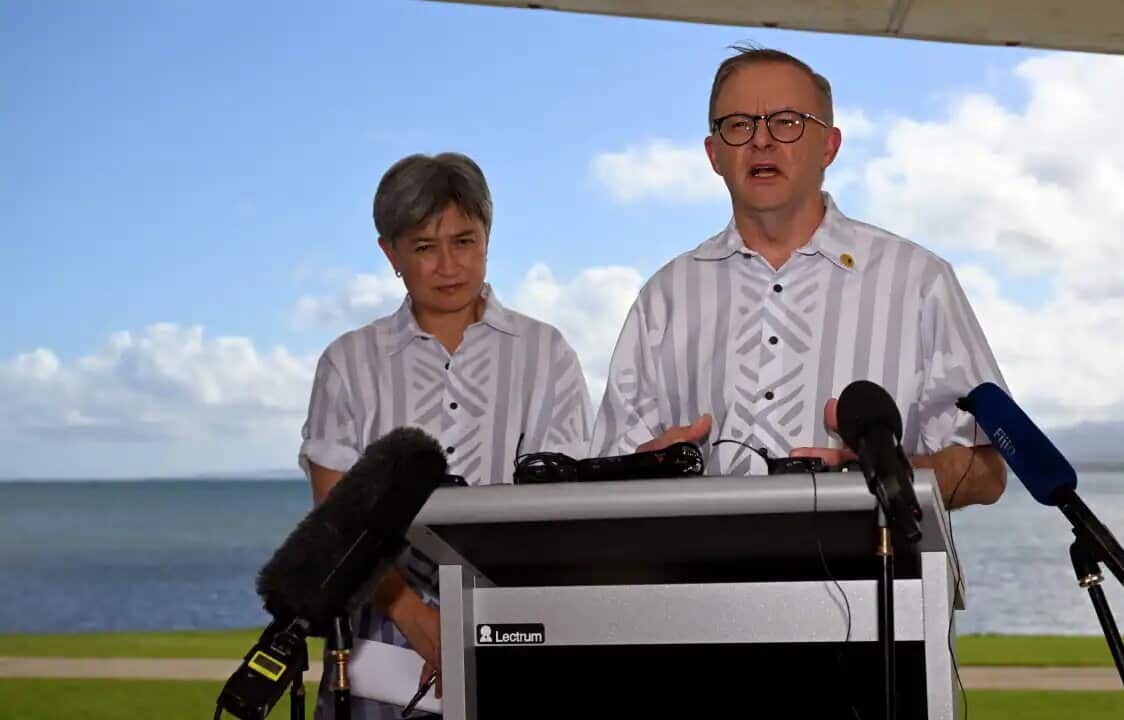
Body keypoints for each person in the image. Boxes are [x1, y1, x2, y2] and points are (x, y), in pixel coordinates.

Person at [591, 47, 1006, 508]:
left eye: (787, 121)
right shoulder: (663, 299)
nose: (761, 141)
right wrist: (641, 472)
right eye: (738, 124)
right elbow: (607, 477)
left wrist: (878, 476)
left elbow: (986, 471)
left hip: (879, 574)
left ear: (829, 145)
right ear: (714, 154)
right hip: (703, 578)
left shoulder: (919, 282)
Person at [299, 152, 592, 718]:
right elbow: (333, 520)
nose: (450, 265)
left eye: (465, 241)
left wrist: (481, 625)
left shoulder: (545, 353)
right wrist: (413, 616)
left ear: (488, 236)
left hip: (514, 628)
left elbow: (564, 511)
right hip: (376, 651)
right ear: (390, 253)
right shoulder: (348, 362)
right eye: (425, 248)